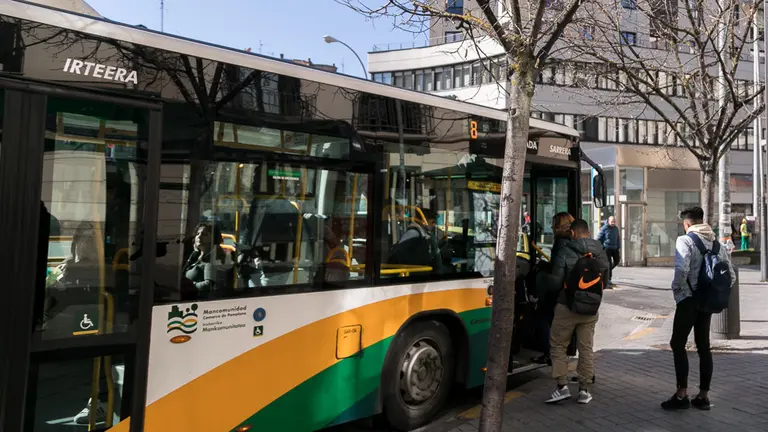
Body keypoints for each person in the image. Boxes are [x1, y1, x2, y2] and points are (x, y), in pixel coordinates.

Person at [662, 206, 735, 411]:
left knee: (678, 343)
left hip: (689, 299)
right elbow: (732, 276)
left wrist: (679, 293)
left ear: (687, 224)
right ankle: (703, 396)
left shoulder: (684, 240)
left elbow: (681, 270)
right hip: (708, 301)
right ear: (702, 221)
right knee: (704, 346)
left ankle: (681, 394)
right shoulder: (716, 243)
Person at [545, 218, 610, 405]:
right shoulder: (600, 252)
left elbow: (556, 282)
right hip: (591, 308)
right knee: (586, 348)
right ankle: (584, 390)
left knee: (558, 345)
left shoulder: (565, 251)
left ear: (572, 233)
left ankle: (562, 387)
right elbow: (605, 278)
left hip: (567, 305)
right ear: (588, 233)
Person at [532, 212, 575, 365]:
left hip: (557, 291)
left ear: (559, 226)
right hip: (570, 290)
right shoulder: (574, 241)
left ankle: (550, 354)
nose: (551, 227)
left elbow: (557, 275)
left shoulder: (561, 244)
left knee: (542, 319)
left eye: (553, 224)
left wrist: (540, 278)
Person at [597, 215, 620, 287]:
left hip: (615, 248)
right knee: (609, 263)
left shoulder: (616, 228)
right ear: (608, 221)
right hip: (607, 248)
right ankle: (608, 279)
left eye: (614, 222)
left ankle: (607, 271)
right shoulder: (604, 228)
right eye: (612, 222)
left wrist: (618, 246)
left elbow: (618, 238)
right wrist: (599, 247)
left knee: (617, 261)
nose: (613, 223)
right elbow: (599, 238)